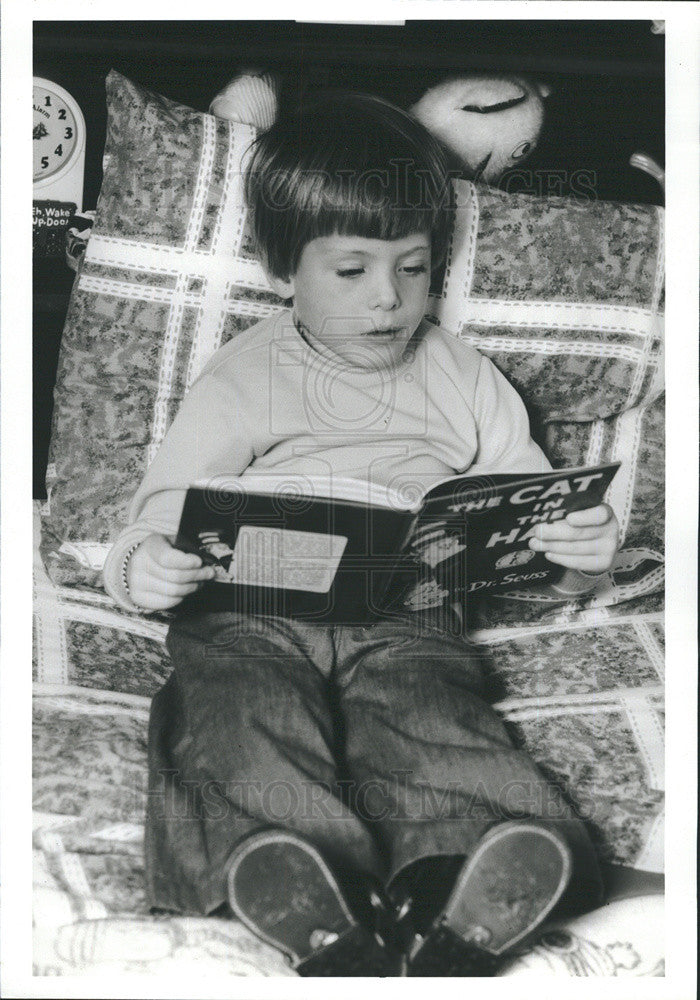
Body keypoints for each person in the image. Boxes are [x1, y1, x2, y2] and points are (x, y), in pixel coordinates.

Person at [103, 91, 620, 977]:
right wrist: (142, 567)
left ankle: (459, 878)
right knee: (238, 709)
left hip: (406, 609)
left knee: (429, 713)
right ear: (282, 269)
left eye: (414, 269)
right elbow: (164, 509)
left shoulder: (462, 374)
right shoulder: (242, 377)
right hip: (251, 607)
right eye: (352, 272)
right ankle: (298, 882)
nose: (389, 298)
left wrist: (574, 549)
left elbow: (529, 509)